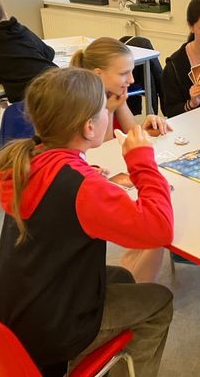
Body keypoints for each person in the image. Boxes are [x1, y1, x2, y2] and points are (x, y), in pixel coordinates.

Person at [0, 67, 174, 377]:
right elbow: (159, 230)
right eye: (104, 109)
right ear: (89, 127)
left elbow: (62, 204)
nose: (108, 113)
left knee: (122, 277)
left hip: (20, 308)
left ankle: (109, 357)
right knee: (159, 301)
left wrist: (90, 176)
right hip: (53, 328)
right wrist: (142, 160)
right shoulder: (81, 187)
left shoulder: (32, 158)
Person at [71, 37, 172, 282]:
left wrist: (146, 125)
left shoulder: (114, 95)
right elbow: (102, 146)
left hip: (105, 172)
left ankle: (134, 271)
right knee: (152, 224)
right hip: (98, 175)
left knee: (150, 220)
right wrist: (108, 109)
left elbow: (127, 133)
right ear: (99, 74)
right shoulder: (84, 104)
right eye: (124, 73)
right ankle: (135, 282)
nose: (132, 80)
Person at [0, 0, 56, 103]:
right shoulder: (21, 30)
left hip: (30, 98)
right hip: (57, 82)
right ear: (5, 14)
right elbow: (49, 53)